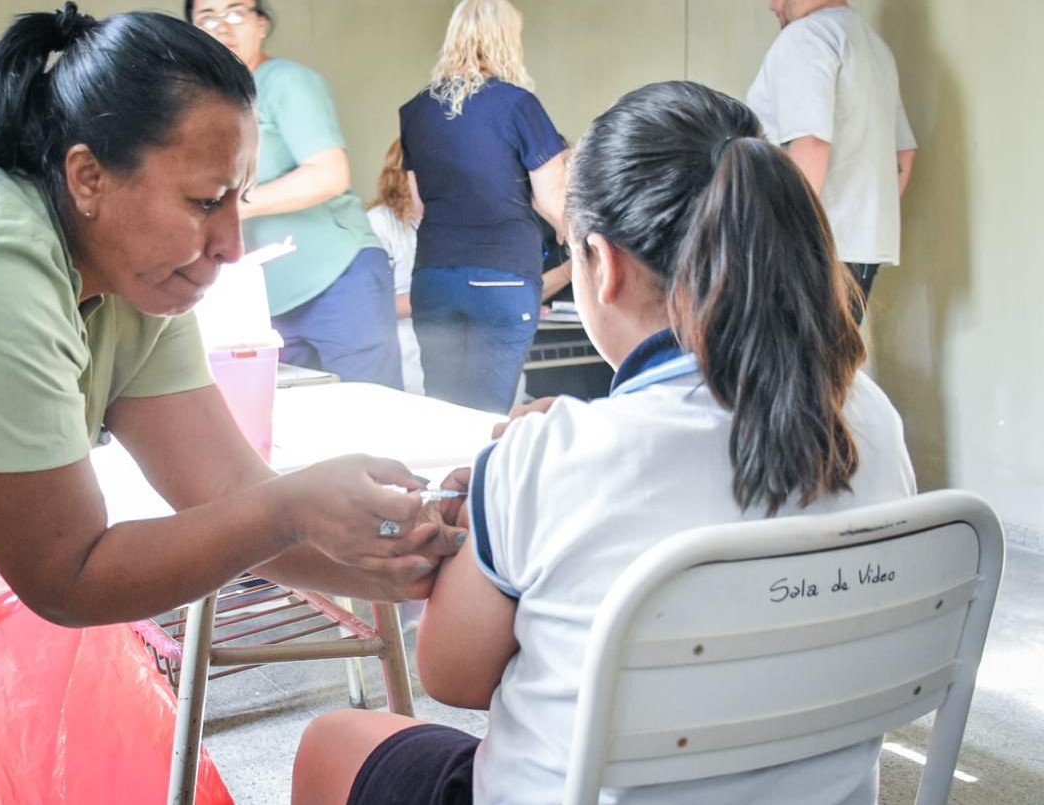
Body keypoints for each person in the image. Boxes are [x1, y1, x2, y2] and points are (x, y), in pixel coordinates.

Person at [0, 6, 460, 803]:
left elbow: (228, 491)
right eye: (206, 202)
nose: (234, 242)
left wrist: (407, 555)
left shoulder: (132, 272)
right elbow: (69, 573)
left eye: (240, 197)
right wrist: (295, 510)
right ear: (88, 175)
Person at [291, 80, 917, 805]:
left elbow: (453, 676)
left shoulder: (550, 456)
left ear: (603, 263)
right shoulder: (867, 414)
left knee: (336, 740)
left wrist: (498, 505)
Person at [186, 0, 402, 388]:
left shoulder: (286, 82)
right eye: (207, 17)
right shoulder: (202, 104)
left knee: (375, 414)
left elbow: (328, 175)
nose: (223, 26)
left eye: (236, 12)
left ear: (261, 23)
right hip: (267, 299)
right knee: (301, 424)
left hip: (338, 279)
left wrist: (233, 208)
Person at [399, 0, 568, 413]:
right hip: (502, 276)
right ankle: (479, 479)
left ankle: (440, 479)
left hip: (434, 275)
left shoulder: (416, 111)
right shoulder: (517, 104)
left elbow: (419, 202)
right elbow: (551, 200)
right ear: (507, 39)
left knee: (442, 406)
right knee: (487, 411)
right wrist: (577, 237)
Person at [747, 0, 917, 319]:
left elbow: (811, 144)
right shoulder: (873, 46)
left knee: (788, 366)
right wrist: (864, 220)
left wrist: (788, 235)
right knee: (832, 364)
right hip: (861, 251)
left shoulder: (806, 37)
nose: (772, 5)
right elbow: (904, 155)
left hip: (807, 249)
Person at [366, 139, 425, 396]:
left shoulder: (447, 220)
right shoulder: (378, 222)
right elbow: (370, 306)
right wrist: (436, 298)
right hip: (401, 348)